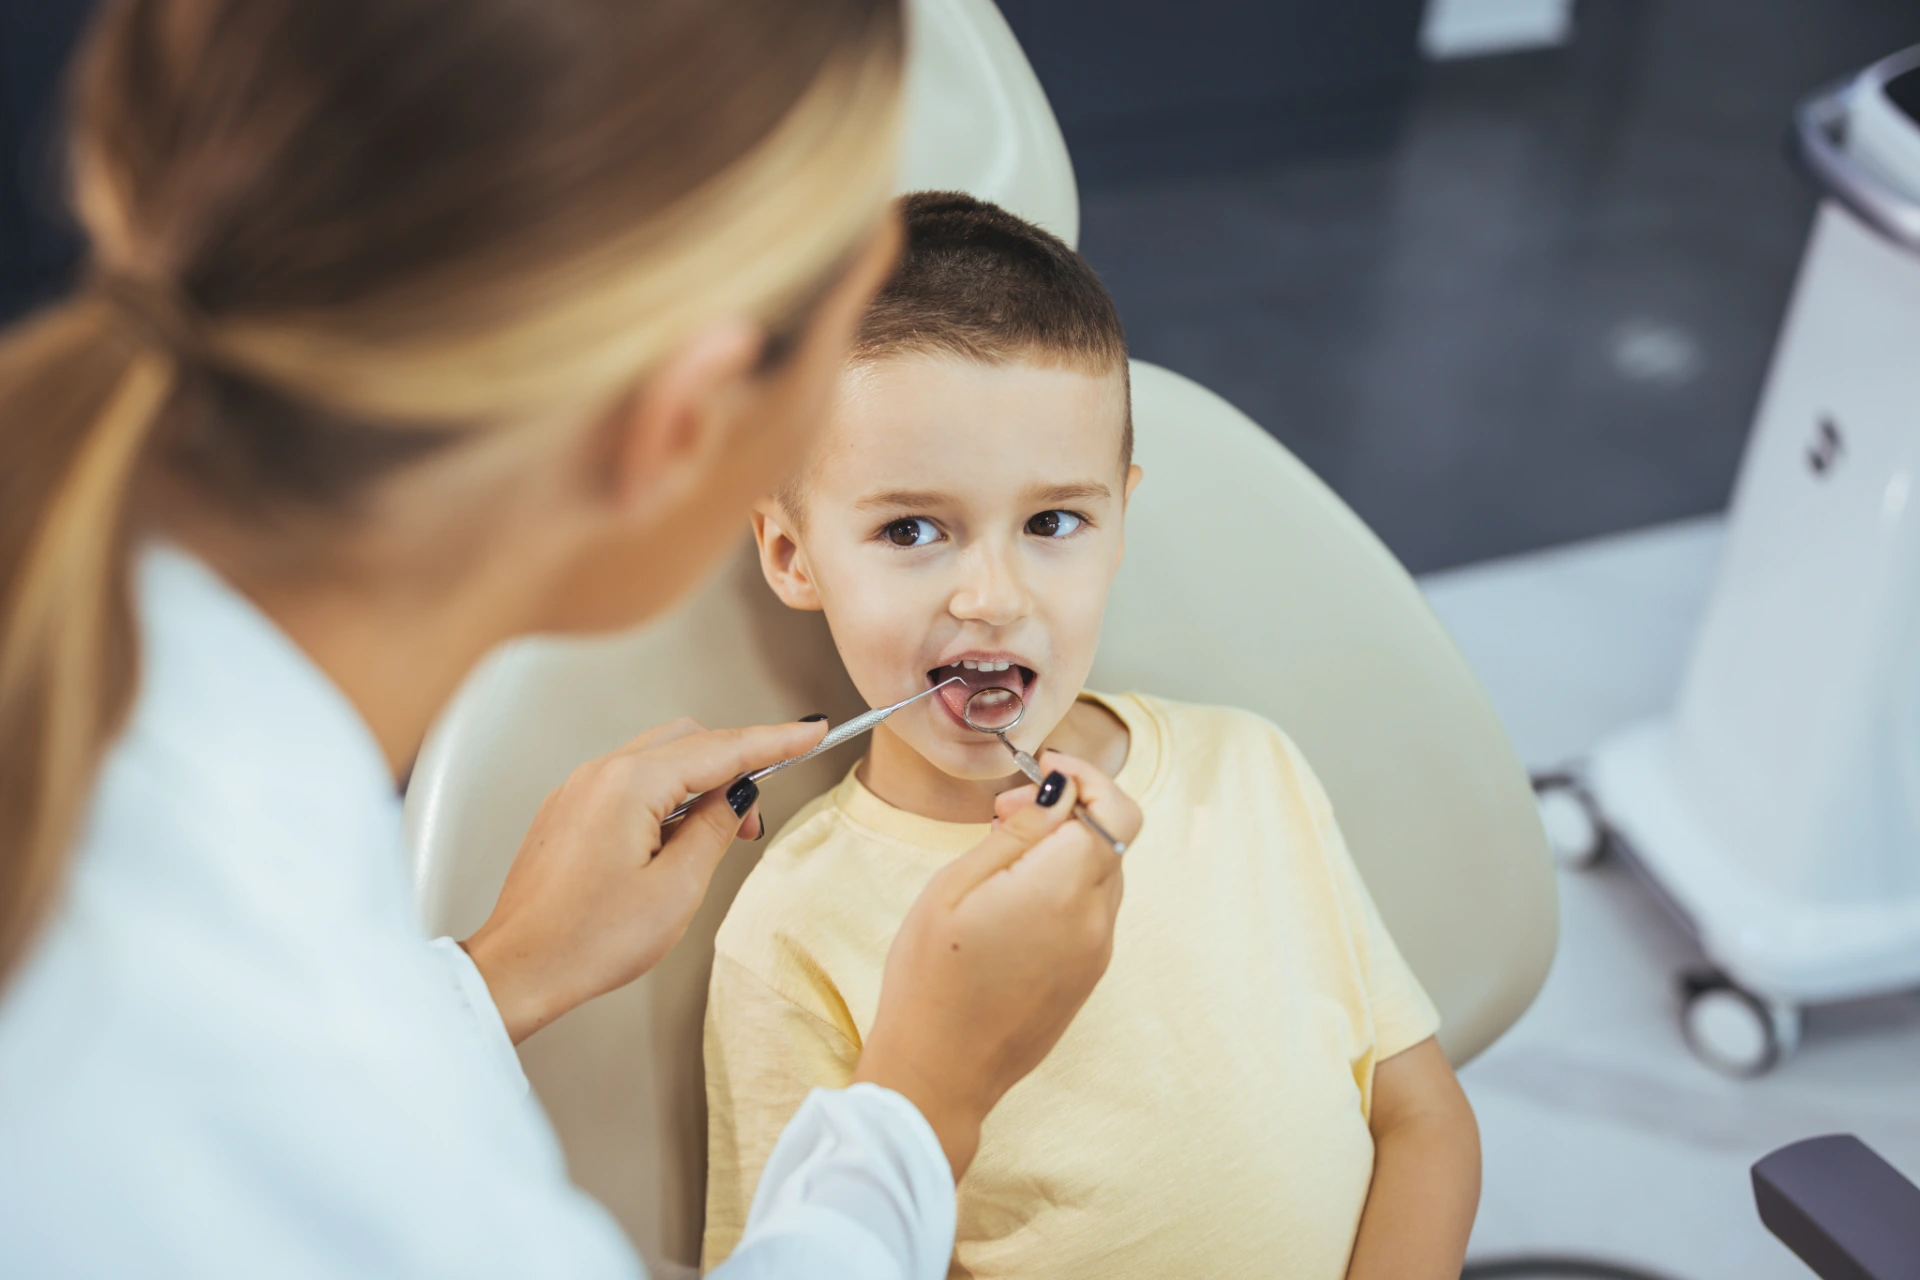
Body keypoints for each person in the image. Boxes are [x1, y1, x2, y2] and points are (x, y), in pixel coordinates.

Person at [0, 6, 1136, 1278]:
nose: (986, 593)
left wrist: (498, 973)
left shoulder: (163, 798)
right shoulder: (278, 1078)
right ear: (689, 429)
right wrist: (926, 1099)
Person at [702, 192, 1482, 1279]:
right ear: (792, 555)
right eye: (911, 528)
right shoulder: (793, 936)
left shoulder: (1247, 770)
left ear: (1121, 517)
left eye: (1052, 521)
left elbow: (1422, 1117)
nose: (991, 595)